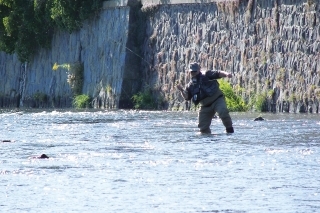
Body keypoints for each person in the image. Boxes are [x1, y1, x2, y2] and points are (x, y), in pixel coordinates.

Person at [176, 62, 234, 134]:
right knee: (202, 128)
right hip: (205, 106)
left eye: (195, 71)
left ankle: (230, 131)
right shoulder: (190, 85)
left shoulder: (206, 74)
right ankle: (208, 141)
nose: (193, 73)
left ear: (199, 70)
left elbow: (218, 73)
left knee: (223, 112)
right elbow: (187, 97)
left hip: (217, 100)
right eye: (192, 72)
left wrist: (226, 74)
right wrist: (181, 90)